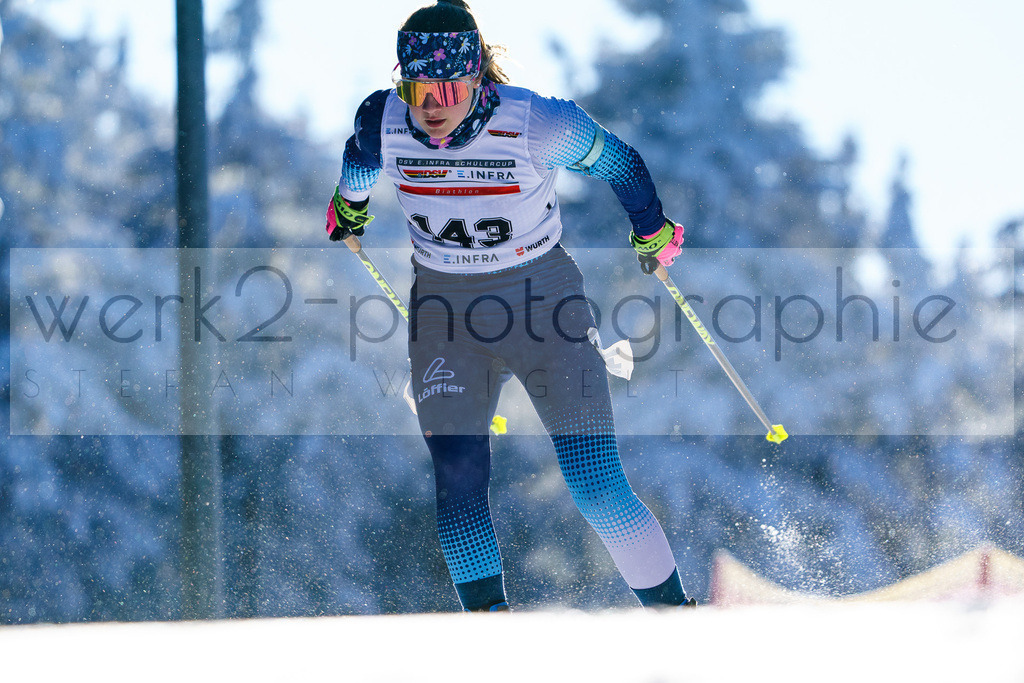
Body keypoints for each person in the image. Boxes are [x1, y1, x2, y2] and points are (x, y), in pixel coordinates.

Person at [327, 0, 691, 612]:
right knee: (458, 488)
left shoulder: (536, 123)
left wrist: (650, 229)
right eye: (416, 87)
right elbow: (358, 164)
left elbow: (620, 162)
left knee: (596, 485)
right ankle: (494, 642)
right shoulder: (382, 119)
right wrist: (350, 208)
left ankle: (676, 619)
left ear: (475, 78)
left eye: (447, 87)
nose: (432, 105)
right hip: (446, 317)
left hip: (541, 303)